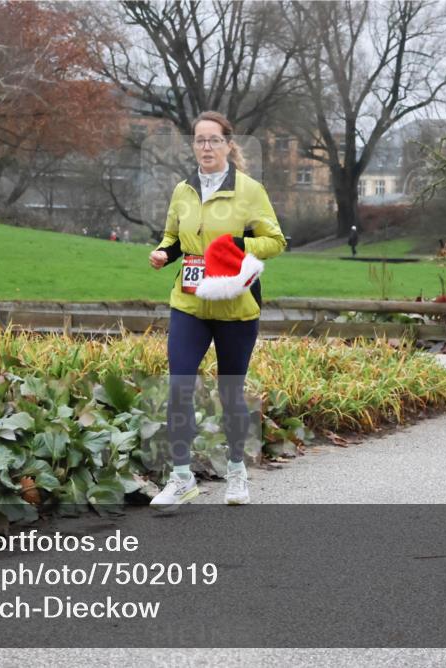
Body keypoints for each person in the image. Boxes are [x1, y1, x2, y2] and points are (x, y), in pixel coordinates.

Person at [147, 110, 287, 510]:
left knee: (230, 392)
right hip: (189, 301)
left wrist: (238, 246)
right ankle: (181, 478)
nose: (206, 147)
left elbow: (276, 241)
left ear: (228, 144)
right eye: (199, 140)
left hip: (235, 304)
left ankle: (237, 472)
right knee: (179, 386)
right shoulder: (183, 190)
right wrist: (164, 252)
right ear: (193, 145)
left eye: (214, 140)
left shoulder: (250, 190)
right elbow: (174, 236)